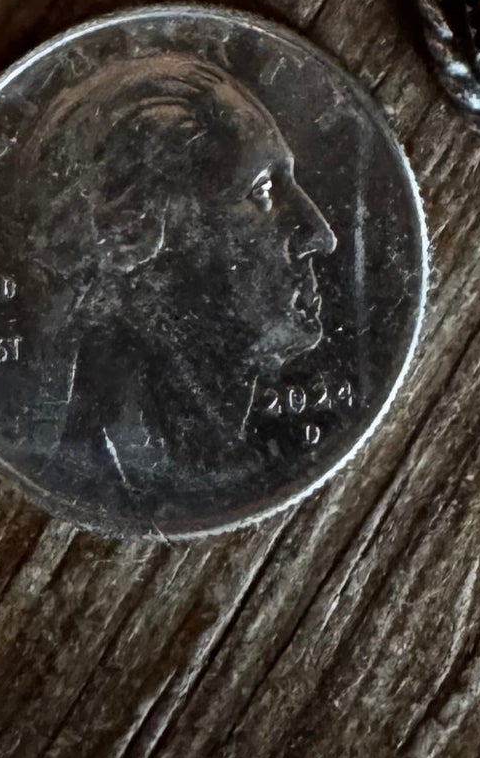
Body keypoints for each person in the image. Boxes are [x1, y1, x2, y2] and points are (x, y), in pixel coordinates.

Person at [19, 51, 338, 496]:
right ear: (139, 228)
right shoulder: (108, 473)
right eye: (261, 190)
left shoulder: (232, 460)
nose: (320, 234)